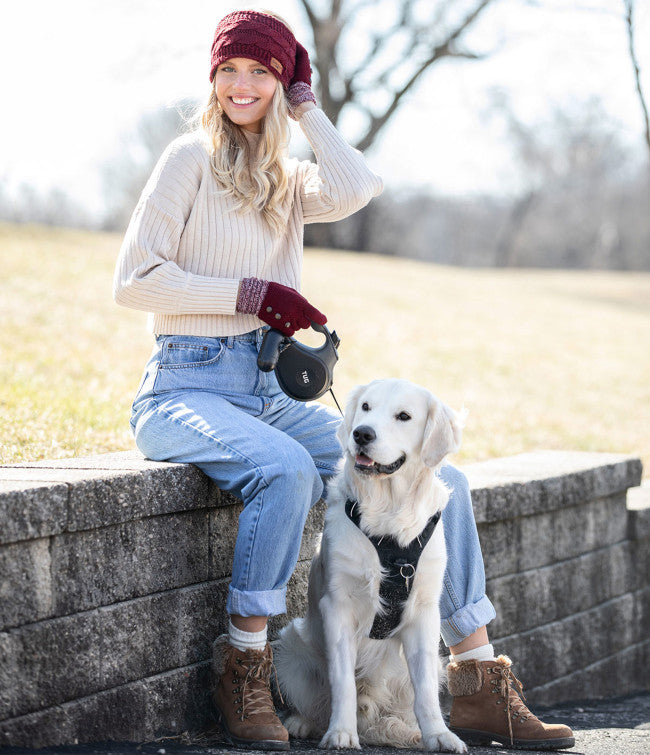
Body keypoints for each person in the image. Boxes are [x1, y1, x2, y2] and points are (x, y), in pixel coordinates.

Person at [113, 9, 574, 752]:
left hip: (265, 390)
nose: (241, 84)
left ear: (281, 81)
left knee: (432, 472)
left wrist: (306, 108)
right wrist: (253, 296)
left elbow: (360, 183)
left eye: (261, 72)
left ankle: (479, 677)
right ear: (212, 77)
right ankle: (245, 663)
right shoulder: (185, 160)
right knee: (287, 469)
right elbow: (133, 281)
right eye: (230, 70)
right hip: (183, 388)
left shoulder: (288, 180)